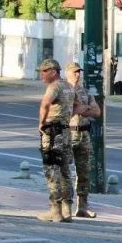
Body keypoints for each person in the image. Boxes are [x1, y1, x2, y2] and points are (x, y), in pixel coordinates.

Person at [37, 58, 76, 222]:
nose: (42, 76)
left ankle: (55, 211)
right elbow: (77, 106)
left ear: (53, 71)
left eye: (44, 72)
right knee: (65, 170)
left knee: (52, 170)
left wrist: (42, 122)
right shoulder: (69, 87)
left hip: (53, 133)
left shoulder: (54, 87)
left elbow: (45, 104)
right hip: (66, 132)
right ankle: (67, 210)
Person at [65, 61, 102, 218]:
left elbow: (96, 112)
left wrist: (84, 109)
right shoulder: (62, 91)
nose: (78, 74)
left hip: (84, 134)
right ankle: (65, 204)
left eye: (79, 71)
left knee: (84, 171)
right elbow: (66, 111)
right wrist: (83, 109)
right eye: (74, 72)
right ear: (67, 74)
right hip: (68, 133)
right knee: (64, 170)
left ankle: (82, 206)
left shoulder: (86, 93)